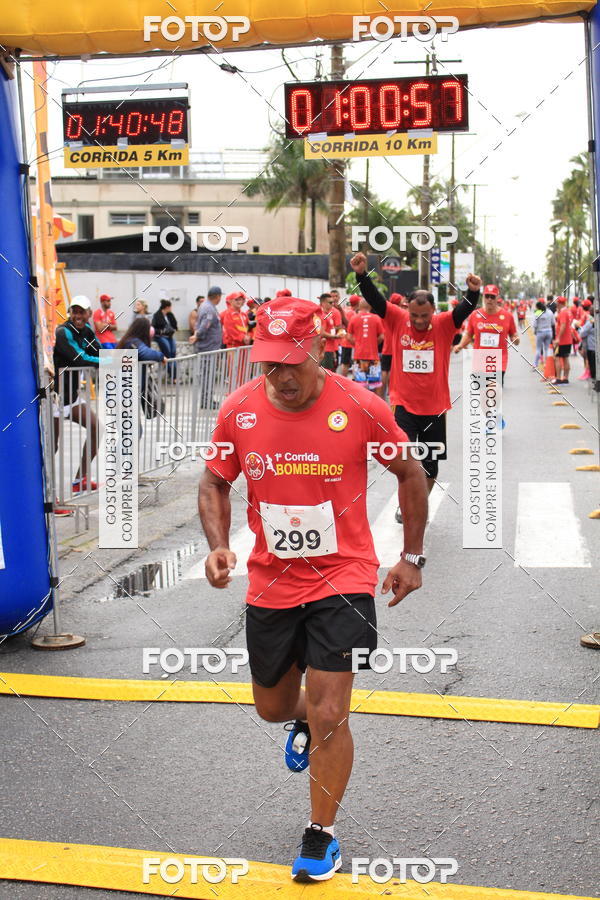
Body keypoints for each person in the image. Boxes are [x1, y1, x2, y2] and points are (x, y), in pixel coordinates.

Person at [199, 295, 428, 882]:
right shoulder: (239, 410)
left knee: (332, 709)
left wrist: (411, 556)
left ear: (320, 348)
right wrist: (218, 544)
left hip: (344, 577)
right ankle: (303, 717)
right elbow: (214, 482)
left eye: (290, 363)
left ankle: (320, 835)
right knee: (273, 706)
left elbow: (411, 473)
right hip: (272, 581)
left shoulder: (359, 404)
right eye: (268, 364)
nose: (279, 377)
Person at [350, 252, 481, 520]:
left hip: (435, 409)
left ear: (433, 311)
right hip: (404, 407)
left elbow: (464, 308)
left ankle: (419, 498)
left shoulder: (444, 324)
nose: (419, 321)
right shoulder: (398, 319)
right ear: (407, 308)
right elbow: (375, 298)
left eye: (424, 316)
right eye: (415, 315)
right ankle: (406, 506)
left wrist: (473, 291)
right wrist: (362, 275)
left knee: (431, 468)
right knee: (407, 463)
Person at [53, 295, 100, 493]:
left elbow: (98, 352)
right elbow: (78, 359)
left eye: (82, 312)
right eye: (74, 311)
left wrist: (118, 357)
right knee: (51, 447)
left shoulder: (87, 331)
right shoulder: (63, 332)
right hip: (54, 398)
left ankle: (80, 479)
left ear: (89, 313)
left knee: (96, 428)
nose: (78, 315)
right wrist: (107, 362)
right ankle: (47, 493)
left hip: (71, 397)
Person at [453, 283, 520, 392]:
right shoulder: (475, 315)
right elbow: (469, 335)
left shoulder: (507, 316)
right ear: (483, 297)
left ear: (497, 298)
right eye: (487, 296)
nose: (489, 299)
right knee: (480, 393)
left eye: (492, 297)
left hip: (498, 360)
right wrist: (460, 345)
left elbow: (514, 335)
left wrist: (516, 340)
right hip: (479, 360)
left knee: (493, 393)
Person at [189, 285, 223, 407]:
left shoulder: (206, 306)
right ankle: (206, 401)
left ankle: (207, 399)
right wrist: (197, 335)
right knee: (208, 375)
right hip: (208, 348)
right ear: (218, 297)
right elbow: (205, 325)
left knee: (208, 375)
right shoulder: (209, 308)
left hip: (209, 347)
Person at [346, 298, 385, 394]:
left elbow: (348, 336)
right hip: (373, 357)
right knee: (375, 385)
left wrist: (358, 344)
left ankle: (361, 407)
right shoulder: (376, 318)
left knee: (360, 385)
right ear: (370, 306)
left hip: (359, 356)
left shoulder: (354, 318)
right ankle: (376, 407)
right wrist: (373, 343)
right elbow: (381, 336)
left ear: (359, 306)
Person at [152, 299, 178, 380]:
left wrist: (173, 329)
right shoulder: (157, 315)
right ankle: (174, 376)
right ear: (167, 307)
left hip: (169, 336)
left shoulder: (170, 315)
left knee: (173, 353)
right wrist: (161, 331)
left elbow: (174, 324)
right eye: (170, 307)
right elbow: (153, 328)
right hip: (161, 336)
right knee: (168, 353)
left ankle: (174, 375)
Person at [553, 296, 572, 384]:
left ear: (559, 303)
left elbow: (563, 326)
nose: (556, 304)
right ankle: (565, 378)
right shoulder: (567, 311)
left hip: (562, 341)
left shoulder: (563, 313)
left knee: (557, 358)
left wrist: (558, 339)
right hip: (567, 340)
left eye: (557, 303)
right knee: (565, 358)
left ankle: (558, 378)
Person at [339, 295, 359, 377]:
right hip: (350, 341)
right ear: (357, 303)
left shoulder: (345, 310)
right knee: (348, 363)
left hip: (344, 340)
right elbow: (352, 327)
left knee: (345, 362)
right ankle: (347, 380)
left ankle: (345, 380)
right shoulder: (353, 313)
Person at [533, 300, 554, 369]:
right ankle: (546, 364)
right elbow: (553, 323)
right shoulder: (550, 312)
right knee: (546, 349)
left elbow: (534, 325)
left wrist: (535, 331)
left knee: (538, 349)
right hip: (549, 332)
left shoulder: (537, 313)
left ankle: (535, 364)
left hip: (540, 332)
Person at [580, 307, 596, 382]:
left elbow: (583, 332)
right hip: (594, 345)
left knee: (592, 362)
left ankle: (594, 378)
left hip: (592, 346)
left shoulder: (591, 321)